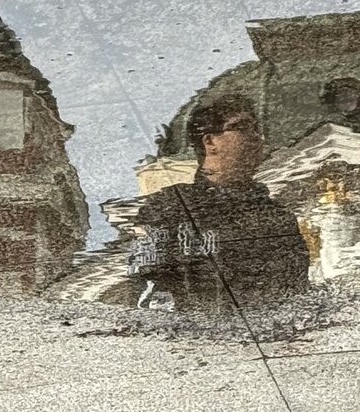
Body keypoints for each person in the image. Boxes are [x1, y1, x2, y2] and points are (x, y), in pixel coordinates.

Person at [124, 94, 309, 313]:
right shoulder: (168, 208)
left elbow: (297, 293)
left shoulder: (278, 216)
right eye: (243, 127)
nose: (258, 138)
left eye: (257, 129)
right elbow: (146, 293)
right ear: (210, 141)